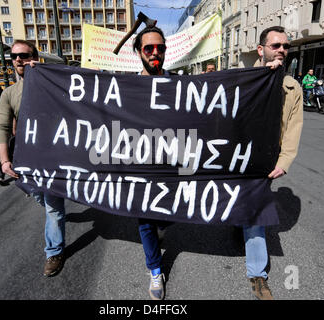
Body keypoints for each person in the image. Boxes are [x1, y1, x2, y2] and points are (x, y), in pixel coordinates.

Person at [0, 40, 66, 277]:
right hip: (26, 160)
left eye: (24, 55)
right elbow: (2, 127)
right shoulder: (9, 93)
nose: (18, 59)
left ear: (34, 56)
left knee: (53, 208)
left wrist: (48, 73)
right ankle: (51, 206)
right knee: (39, 197)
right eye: (14, 56)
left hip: (53, 157)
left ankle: (53, 252)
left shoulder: (53, 83)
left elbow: (77, 82)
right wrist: (5, 161)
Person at [250, 25, 303, 299]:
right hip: (235, 157)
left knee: (255, 213)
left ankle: (257, 274)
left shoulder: (293, 87)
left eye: (285, 46)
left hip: (265, 161)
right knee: (239, 207)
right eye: (276, 45)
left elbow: (294, 127)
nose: (282, 50)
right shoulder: (241, 79)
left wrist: (285, 160)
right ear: (261, 50)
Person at [132, 26, 176, 300]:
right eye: (149, 48)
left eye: (160, 47)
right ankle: (155, 269)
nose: (155, 52)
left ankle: (164, 223)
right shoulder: (126, 88)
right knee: (145, 220)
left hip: (171, 165)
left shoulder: (179, 85)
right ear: (138, 52)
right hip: (140, 167)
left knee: (165, 217)